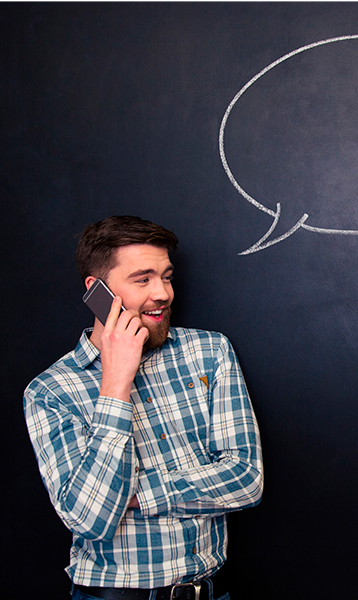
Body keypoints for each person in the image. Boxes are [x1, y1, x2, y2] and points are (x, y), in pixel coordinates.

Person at [24, 216, 263, 600]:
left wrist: (134, 493)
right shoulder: (51, 391)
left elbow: (246, 479)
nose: (163, 293)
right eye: (143, 279)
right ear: (97, 290)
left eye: (166, 277)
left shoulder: (209, 352)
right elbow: (89, 519)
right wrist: (116, 383)